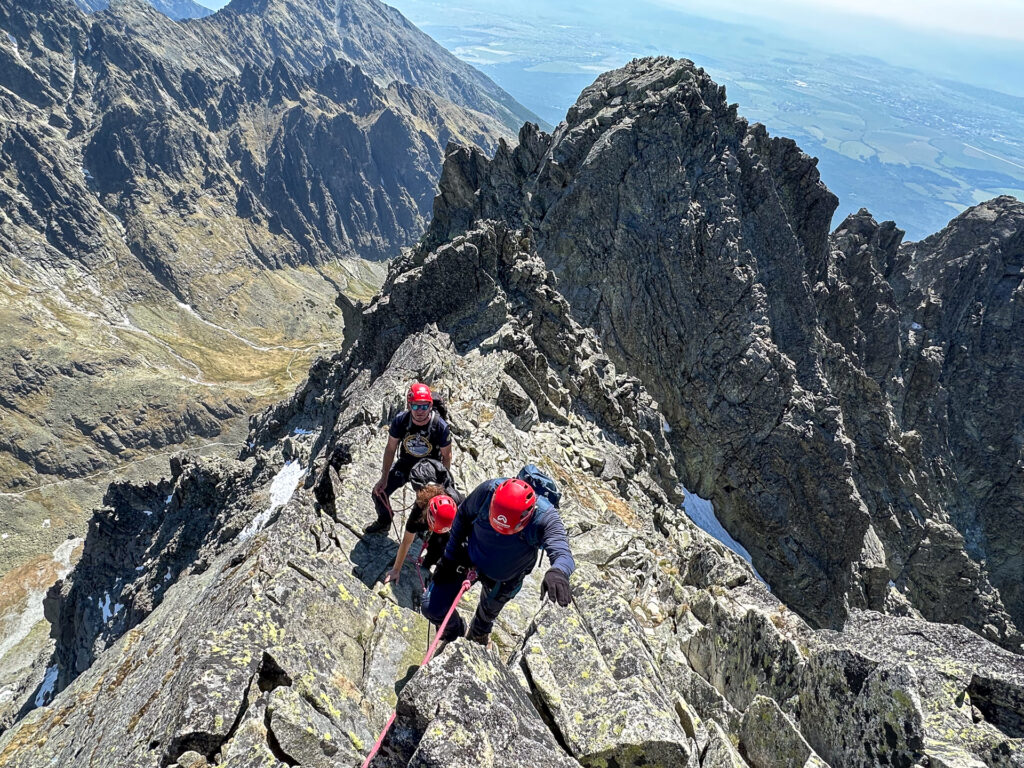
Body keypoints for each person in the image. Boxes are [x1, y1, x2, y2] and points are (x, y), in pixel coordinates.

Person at [424, 476, 575, 646]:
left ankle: (478, 634)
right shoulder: (487, 491)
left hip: (505, 579)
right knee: (432, 607)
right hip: (468, 558)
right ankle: (454, 631)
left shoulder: (545, 517)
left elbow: (563, 553)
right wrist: (449, 558)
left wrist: (558, 572)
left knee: (484, 620)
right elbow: (462, 515)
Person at [365, 382, 452, 534]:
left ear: (430, 406)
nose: (420, 411)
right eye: (415, 406)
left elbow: (447, 455)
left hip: (429, 469)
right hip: (405, 464)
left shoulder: (439, 426)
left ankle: (423, 529)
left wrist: (441, 483)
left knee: (426, 504)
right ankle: (385, 520)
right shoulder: (401, 421)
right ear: (409, 405)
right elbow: (390, 448)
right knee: (378, 493)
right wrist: (384, 477)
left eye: (424, 406)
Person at [384, 458, 463, 585]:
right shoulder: (418, 511)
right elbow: (406, 542)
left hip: (440, 480)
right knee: (424, 534)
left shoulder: (458, 502)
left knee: (441, 542)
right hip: (425, 480)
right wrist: (396, 570)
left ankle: (428, 562)